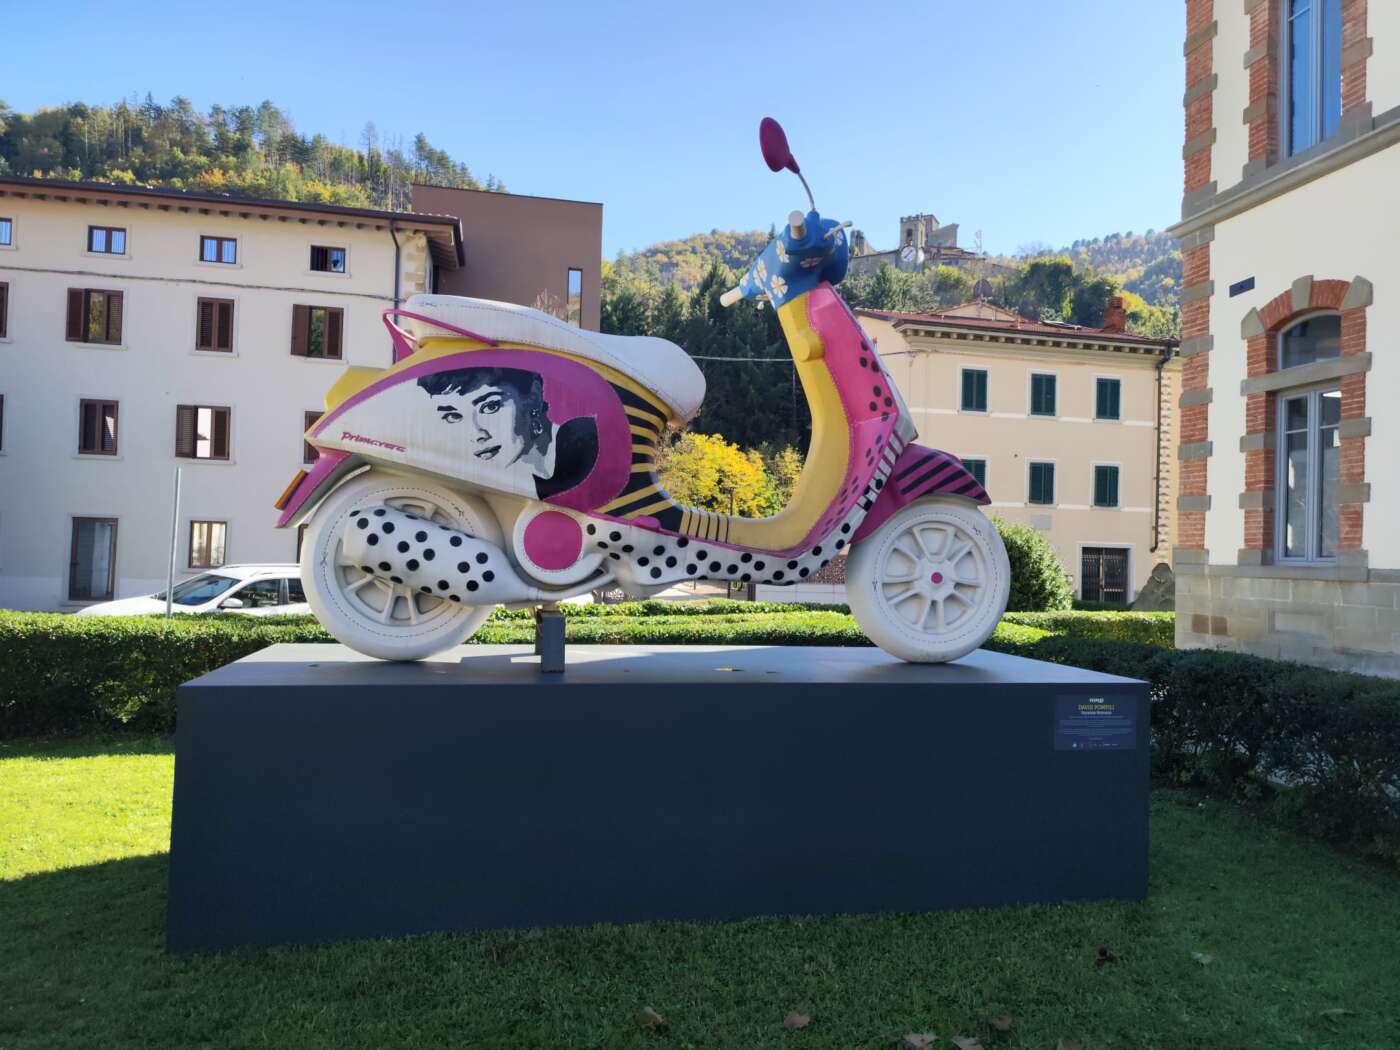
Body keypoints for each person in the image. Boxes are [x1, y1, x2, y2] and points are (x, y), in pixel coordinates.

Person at [417, 367, 597, 499]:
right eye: (453, 416)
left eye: (490, 406)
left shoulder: (584, 442)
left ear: (533, 396)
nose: (476, 434)